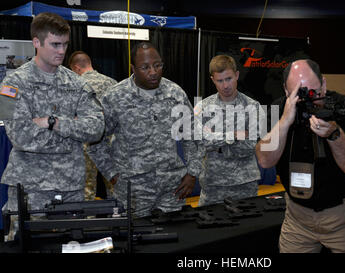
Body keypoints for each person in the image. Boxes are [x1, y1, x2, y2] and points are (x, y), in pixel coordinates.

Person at [0, 12, 104, 239]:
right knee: (24, 245)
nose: (61, 51)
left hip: (71, 188)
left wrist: (53, 122)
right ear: (36, 42)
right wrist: (73, 132)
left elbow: (96, 128)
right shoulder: (10, 85)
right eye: (55, 44)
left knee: (73, 245)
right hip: (30, 189)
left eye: (65, 44)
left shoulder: (77, 83)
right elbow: (20, 136)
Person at [255, 59, 345, 253]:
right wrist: (285, 122)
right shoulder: (279, 110)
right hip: (299, 216)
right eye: (300, 94)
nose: (310, 100)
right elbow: (264, 160)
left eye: (314, 92)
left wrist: (334, 135)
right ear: (287, 92)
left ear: (324, 84)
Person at [87, 42, 202, 218]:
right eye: (145, 67)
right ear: (133, 68)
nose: (153, 72)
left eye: (158, 65)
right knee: (135, 241)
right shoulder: (115, 97)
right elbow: (95, 141)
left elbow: (192, 137)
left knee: (176, 240)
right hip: (132, 192)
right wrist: (112, 175)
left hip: (171, 190)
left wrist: (192, 173)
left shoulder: (175, 93)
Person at [194, 55, 263, 207]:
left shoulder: (253, 107)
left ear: (237, 75)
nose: (225, 85)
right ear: (212, 80)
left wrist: (215, 142)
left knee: (248, 229)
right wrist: (234, 135)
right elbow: (200, 143)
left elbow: (249, 146)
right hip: (212, 185)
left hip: (244, 184)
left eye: (229, 79)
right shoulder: (202, 107)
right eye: (220, 80)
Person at [68, 51, 117, 200]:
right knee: (115, 184)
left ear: (76, 68)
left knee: (87, 188)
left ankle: (89, 221)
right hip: (112, 142)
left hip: (87, 144)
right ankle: (119, 219)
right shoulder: (113, 83)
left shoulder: (75, 85)